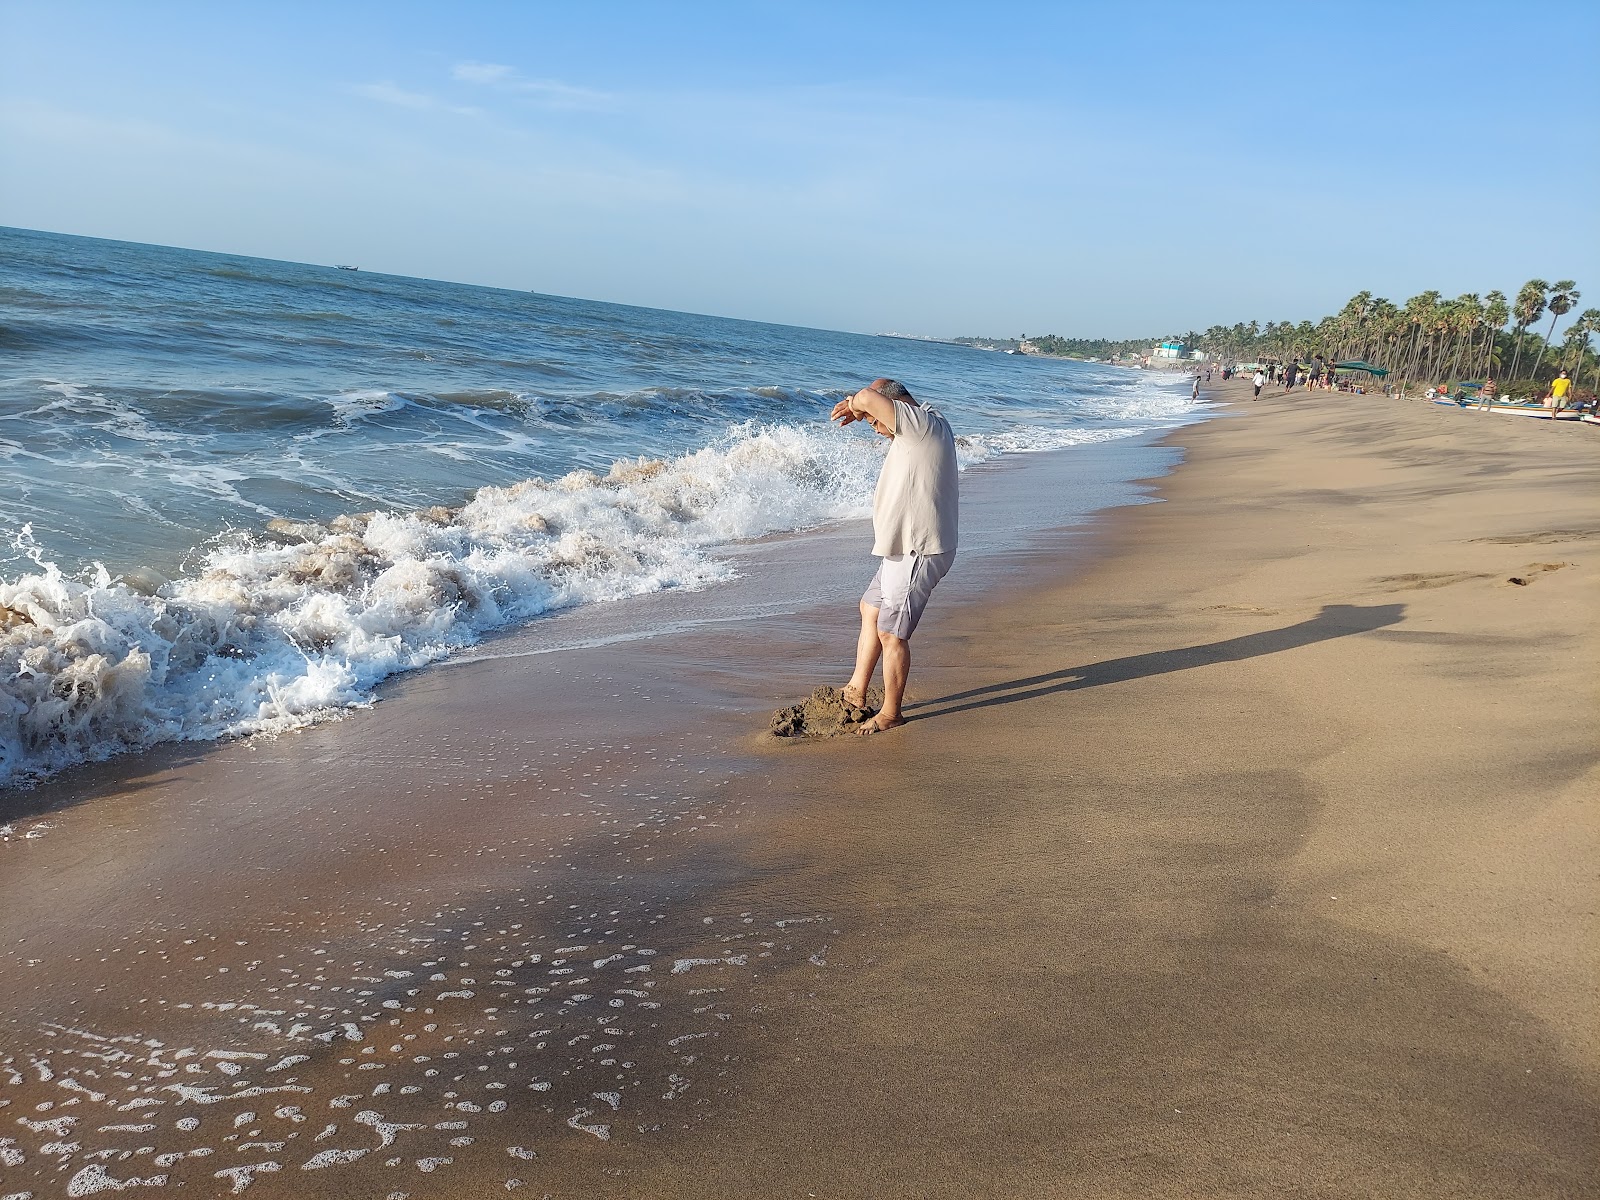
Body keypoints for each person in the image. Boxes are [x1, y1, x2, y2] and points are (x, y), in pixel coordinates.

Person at [830, 378, 959, 735]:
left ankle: (891, 712)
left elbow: (872, 394)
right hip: (903, 547)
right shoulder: (922, 425)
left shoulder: (921, 424)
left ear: (897, 404)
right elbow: (876, 396)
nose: (875, 430)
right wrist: (867, 409)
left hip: (919, 549)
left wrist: (858, 406)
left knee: (891, 633)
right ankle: (856, 690)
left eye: (874, 421)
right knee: (870, 608)